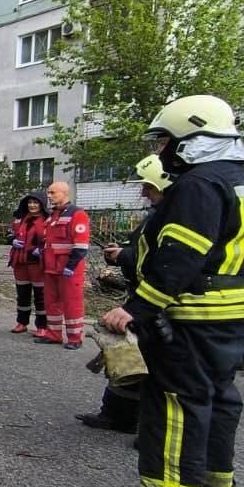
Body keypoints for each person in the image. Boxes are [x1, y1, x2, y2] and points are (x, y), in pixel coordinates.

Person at [99, 94, 244, 487]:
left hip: (192, 314)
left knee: (176, 403)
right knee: (219, 397)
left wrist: (135, 309)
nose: (162, 152)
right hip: (233, 314)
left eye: (165, 143)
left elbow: (179, 258)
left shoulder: (197, 186)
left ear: (190, 140)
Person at [76, 154, 173, 434]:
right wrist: (123, 252)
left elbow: (167, 261)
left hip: (157, 302)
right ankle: (117, 415)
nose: (143, 192)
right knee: (125, 359)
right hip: (143, 297)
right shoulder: (159, 215)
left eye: (149, 187)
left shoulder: (177, 217)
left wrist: (125, 256)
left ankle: (146, 427)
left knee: (143, 364)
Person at [36, 181, 90, 349]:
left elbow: (81, 246)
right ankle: (54, 334)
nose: (49, 196)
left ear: (64, 193)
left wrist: (71, 266)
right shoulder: (53, 215)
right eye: (49, 193)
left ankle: (75, 338)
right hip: (51, 268)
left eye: (53, 193)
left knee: (72, 303)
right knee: (51, 302)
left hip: (69, 269)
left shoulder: (77, 214)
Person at [6, 191, 48, 334]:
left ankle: (42, 326)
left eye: (35, 203)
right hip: (20, 261)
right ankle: (22, 322)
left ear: (42, 205)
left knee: (40, 296)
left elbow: (51, 240)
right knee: (22, 294)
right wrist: (12, 240)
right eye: (30, 202)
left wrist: (41, 249)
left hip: (38, 263)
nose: (32, 205)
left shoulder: (47, 220)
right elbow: (9, 233)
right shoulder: (20, 218)